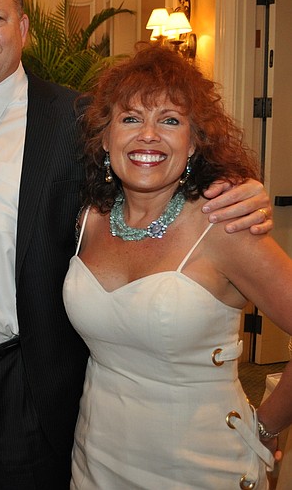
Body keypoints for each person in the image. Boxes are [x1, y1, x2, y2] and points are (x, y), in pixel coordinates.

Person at [0, 0, 274, 488]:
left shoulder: (76, 120)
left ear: (23, 29)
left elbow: (150, 171)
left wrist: (239, 187)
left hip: (31, 381)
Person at [65, 45, 292, 489]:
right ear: (105, 136)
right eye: (131, 118)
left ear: (193, 141)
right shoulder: (87, 220)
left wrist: (265, 427)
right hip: (96, 458)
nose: (148, 135)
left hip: (202, 466)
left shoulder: (226, 226)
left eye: (170, 120)